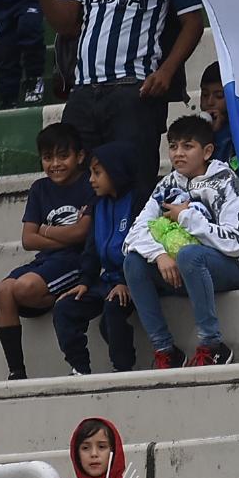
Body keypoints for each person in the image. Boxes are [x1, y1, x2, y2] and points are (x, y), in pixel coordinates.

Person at [20, 0, 205, 192]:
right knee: (78, 190)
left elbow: (193, 22)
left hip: (135, 92)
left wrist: (167, 71)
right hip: (83, 92)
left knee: (134, 186)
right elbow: (66, 24)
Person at [123, 116, 239, 369]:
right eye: (174, 146)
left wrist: (186, 217)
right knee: (133, 262)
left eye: (188, 146)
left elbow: (235, 243)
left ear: (207, 151)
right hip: (185, 270)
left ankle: (212, 345)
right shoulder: (167, 184)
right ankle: (166, 351)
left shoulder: (225, 182)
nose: (178, 154)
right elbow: (134, 233)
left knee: (190, 255)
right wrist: (159, 256)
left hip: (235, 269)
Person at [0, 123, 93, 380]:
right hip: (46, 261)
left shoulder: (88, 183)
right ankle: (17, 371)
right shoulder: (40, 188)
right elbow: (28, 239)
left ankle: (51, 296)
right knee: (2, 290)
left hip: (75, 261)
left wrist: (45, 231)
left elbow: (81, 234)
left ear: (79, 156)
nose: (55, 164)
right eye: (48, 158)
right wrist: (65, 236)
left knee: (23, 288)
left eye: (63, 156)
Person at [52, 142, 144, 376]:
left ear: (116, 171)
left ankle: (123, 369)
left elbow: (141, 246)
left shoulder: (138, 201)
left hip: (136, 279)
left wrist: (126, 280)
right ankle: (80, 368)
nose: (91, 179)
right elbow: (91, 250)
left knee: (113, 308)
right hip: (107, 280)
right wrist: (84, 281)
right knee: (65, 307)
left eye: (97, 173)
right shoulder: (98, 204)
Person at [199, 62, 235, 166]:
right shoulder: (193, 130)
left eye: (219, 96)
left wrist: (218, 135)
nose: (210, 102)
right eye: (205, 95)